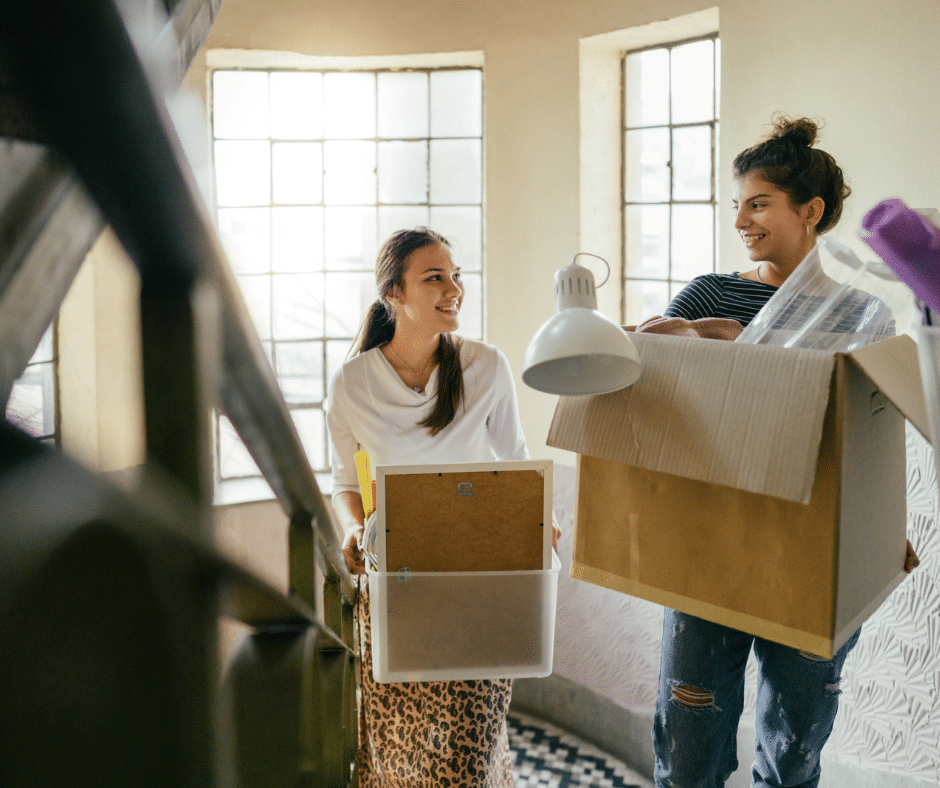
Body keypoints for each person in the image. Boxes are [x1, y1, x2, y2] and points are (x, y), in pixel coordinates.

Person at [639, 115, 916, 788]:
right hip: (711, 545)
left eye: (758, 203)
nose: (741, 220)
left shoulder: (862, 315)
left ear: (810, 211)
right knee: (688, 748)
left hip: (812, 548)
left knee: (793, 751)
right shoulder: (707, 292)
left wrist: (883, 531)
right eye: (737, 204)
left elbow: (862, 431)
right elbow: (661, 411)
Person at [327, 227, 553, 787]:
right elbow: (343, 480)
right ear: (393, 296)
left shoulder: (487, 367)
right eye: (435, 278)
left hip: (480, 587)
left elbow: (517, 463)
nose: (453, 288)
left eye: (456, 276)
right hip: (395, 593)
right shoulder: (353, 383)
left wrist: (536, 520)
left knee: (469, 756)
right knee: (401, 756)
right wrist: (356, 530)